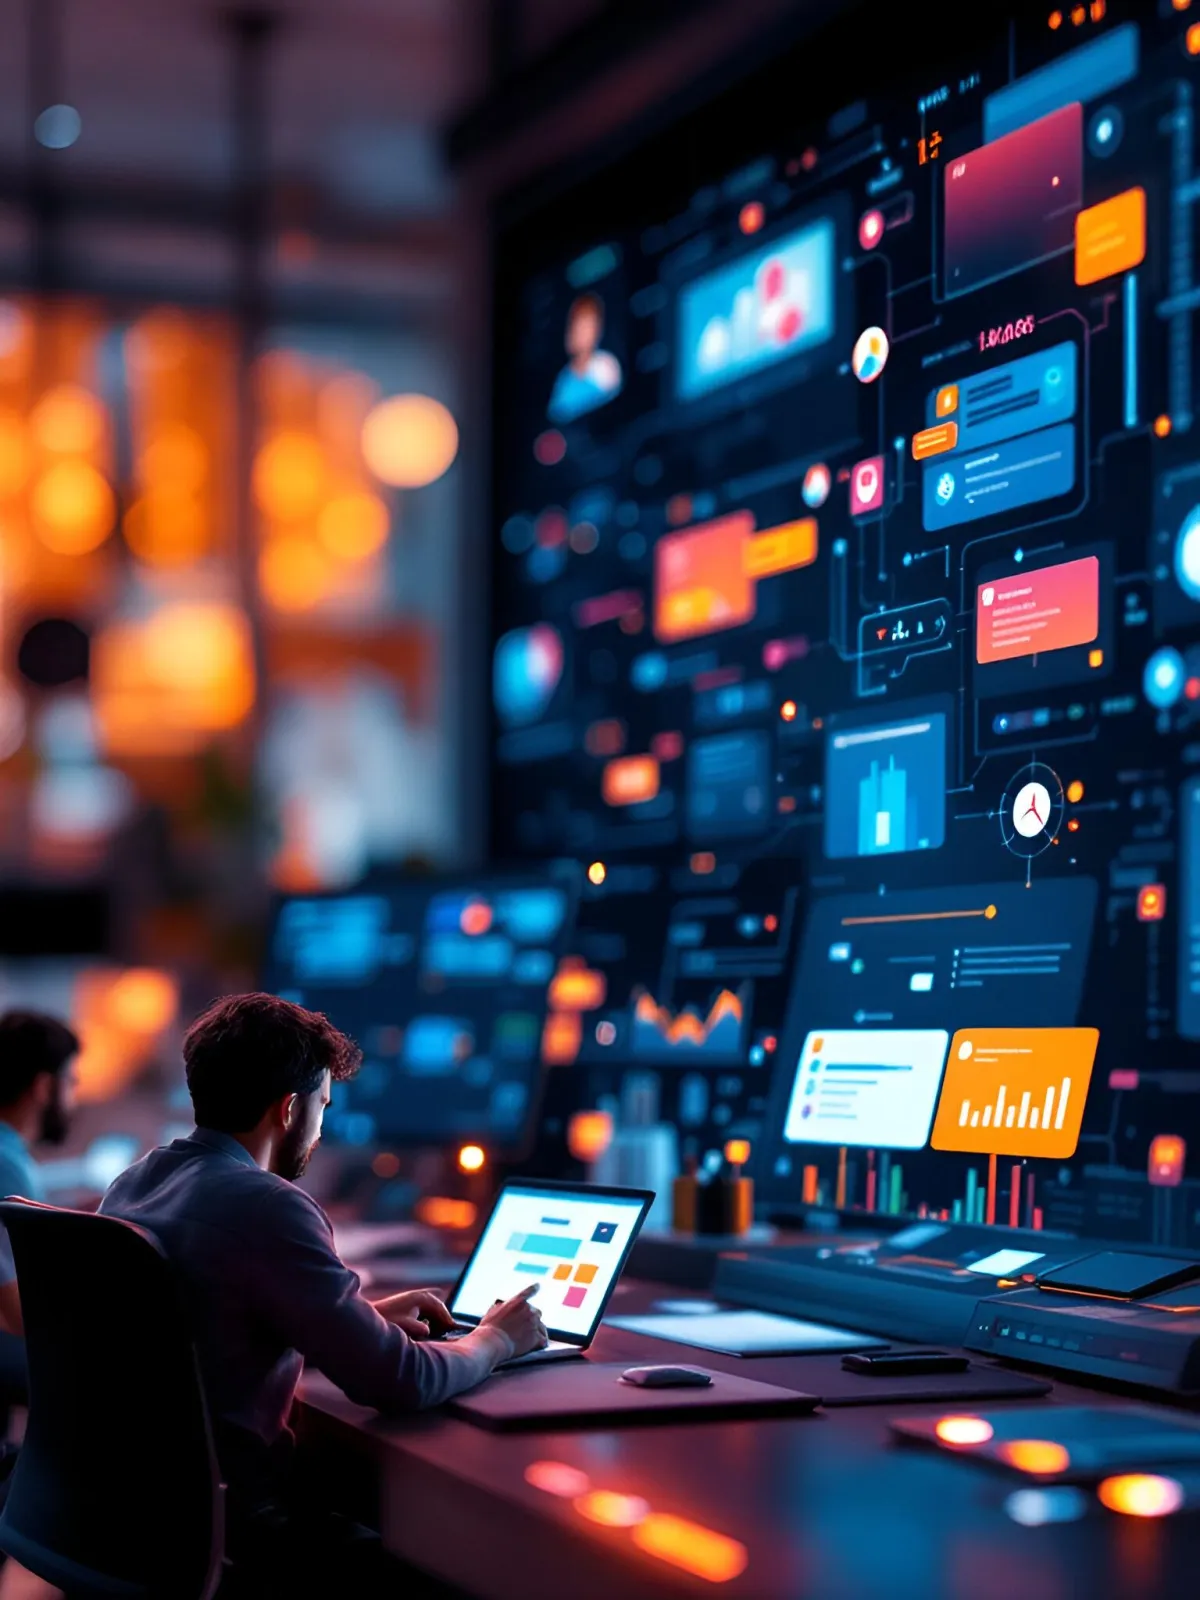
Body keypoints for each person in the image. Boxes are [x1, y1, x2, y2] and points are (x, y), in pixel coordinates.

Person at [99, 992, 546, 1584]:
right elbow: (401, 1381)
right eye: (323, 1106)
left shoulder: (132, 1184)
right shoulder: (268, 1205)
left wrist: (358, 1318)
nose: (320, 1129)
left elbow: (197, 1333)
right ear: (289, 1110)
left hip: (126, 1511)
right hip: (235, 1528)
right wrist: (493, 1341)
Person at [0, 1011, 79, 1337]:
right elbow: (24, 1316)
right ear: (45, 1086)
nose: (74, 1099)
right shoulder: (7, 1166)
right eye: (72, 1083)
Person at [547, 292, 623, 423]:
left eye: (587, 326)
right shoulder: (563, 380)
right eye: (577, 326)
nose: (581, 333)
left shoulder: (607, 366)